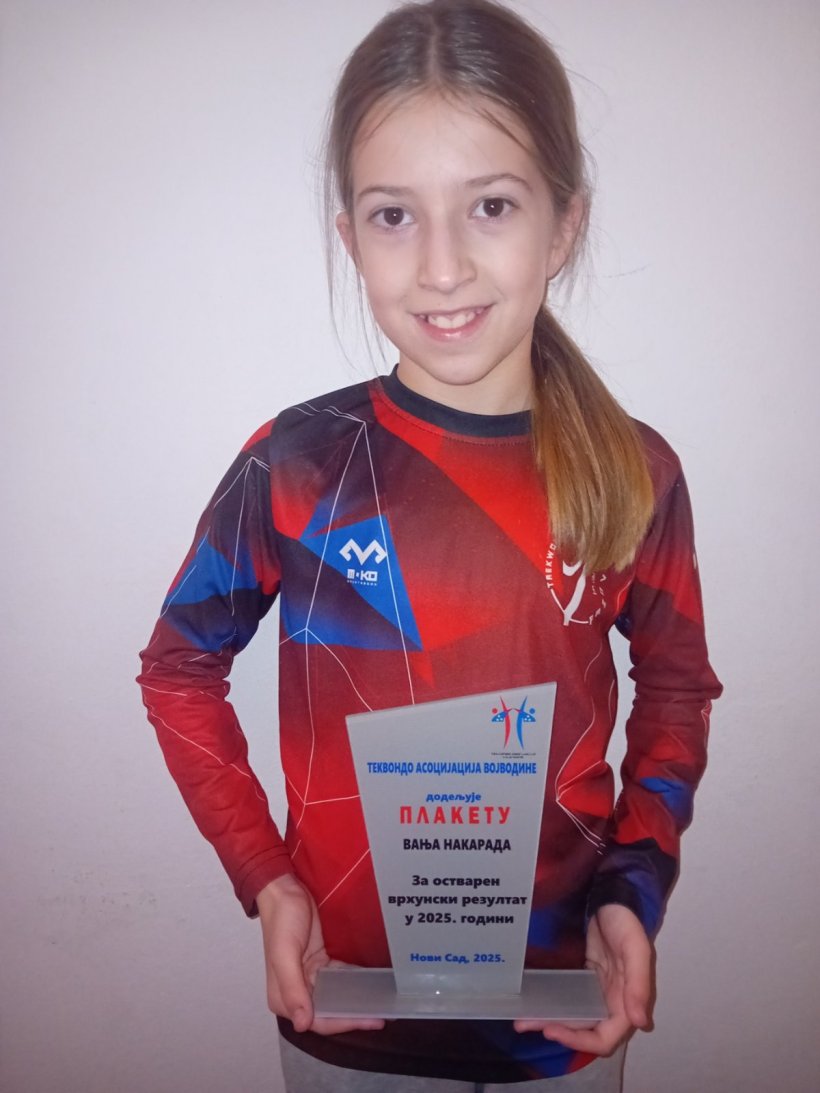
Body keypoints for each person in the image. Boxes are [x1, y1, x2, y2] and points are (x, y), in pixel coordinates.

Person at [137, 1, 721, 1089]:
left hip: (561, 1015)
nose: (442, 267)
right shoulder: (297, 463)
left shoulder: (636, 473)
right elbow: (178, 669)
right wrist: (267, 877)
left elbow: (677, 691)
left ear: (563, 225)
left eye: (490, 205)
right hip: (350, 1011)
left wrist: (631, 891)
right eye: (395, 215)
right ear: (348, 236)